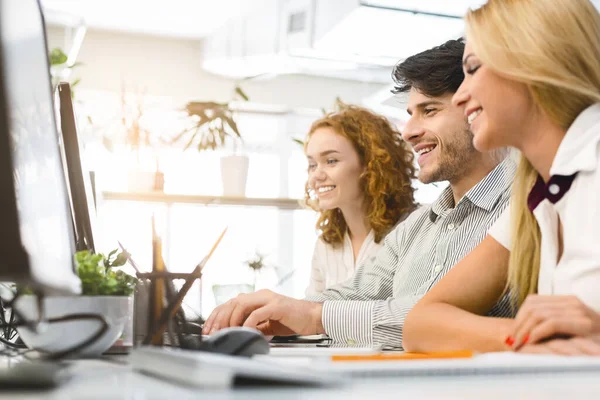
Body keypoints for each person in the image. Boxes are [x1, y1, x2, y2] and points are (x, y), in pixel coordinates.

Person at [202, 38, 515, 349]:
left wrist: (314, 315)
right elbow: (355, 292)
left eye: (429, 110)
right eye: (410, 114)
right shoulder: (417, 227)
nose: (408, 130)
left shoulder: (521, 208)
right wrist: (274, 309)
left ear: (478, 108)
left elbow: (432, 319)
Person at [402, 0, 600, 356]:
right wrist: (526, 337)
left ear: (534, 60)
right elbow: (420, 324)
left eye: (473, 69)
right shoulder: (536, 193)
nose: (461, 96)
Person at [304, 104, 417, 295]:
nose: (316, 176)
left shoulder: (413, 230)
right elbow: (308, 315)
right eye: (312, 165)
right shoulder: (326, 245)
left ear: (370, 164)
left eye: (331, 161)